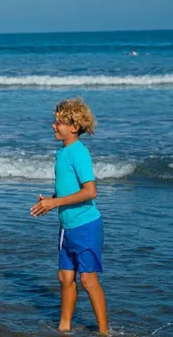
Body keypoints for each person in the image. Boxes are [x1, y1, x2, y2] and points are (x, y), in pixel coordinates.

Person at [30, 98, 108, 334]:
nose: (53, 126)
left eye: (59, 122)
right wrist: (51, 199)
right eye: (54, 122)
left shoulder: (79, 153)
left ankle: (104, 331)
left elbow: (90, 191)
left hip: (86, 225)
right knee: (65, 277)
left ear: (74, 127)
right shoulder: (61, 152)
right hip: (66, 227)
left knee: (87, 280)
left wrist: (56, 202)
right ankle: (64, 327)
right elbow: (68, 189)